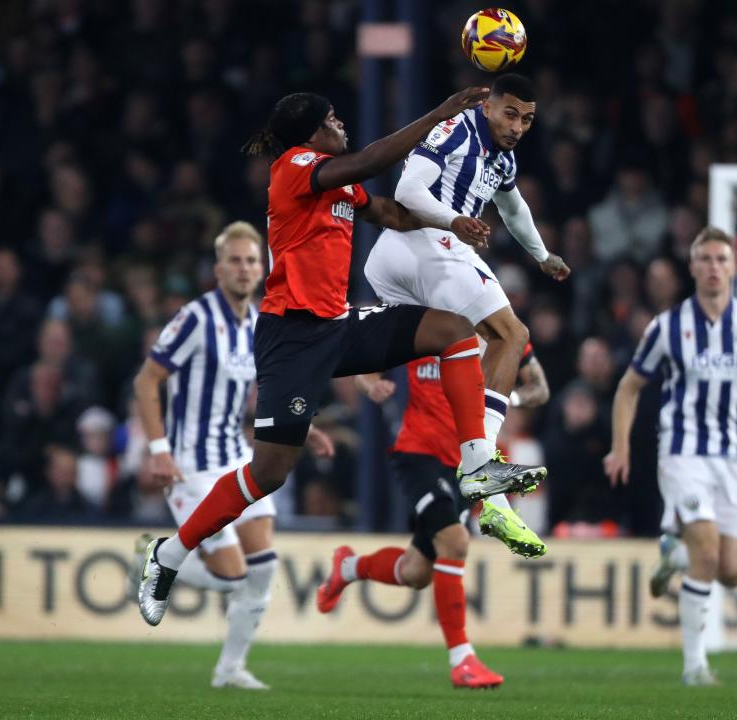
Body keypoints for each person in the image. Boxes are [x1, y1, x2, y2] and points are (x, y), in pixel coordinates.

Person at [136, 87, 547, 627]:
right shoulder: (294, 167)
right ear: (312, 134)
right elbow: (373, 160)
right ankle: (168, 555)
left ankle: (476, 466)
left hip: (338, 322)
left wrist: (452, 224)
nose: (341, 124)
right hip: (292, 338)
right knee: (268, 473)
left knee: (453, 332)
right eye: (332, 120)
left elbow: (392, 214)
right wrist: (441, 114)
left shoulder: (337, 180)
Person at [364, 73, 570, 557]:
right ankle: (482, 463)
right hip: (422, 244)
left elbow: (514, 209)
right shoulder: (456, 128)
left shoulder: (503, 157)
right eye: (511, 114)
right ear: (491, 107)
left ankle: (487, 488)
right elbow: (408, 191)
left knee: (462, 343)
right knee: (511, 334)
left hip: (414, 262)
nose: (518, 126)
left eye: (528, 119)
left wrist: (541, 256)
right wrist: (454, 220)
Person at [131, 221, 336, 688]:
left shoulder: (260, 323)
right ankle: (155, 559)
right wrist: (159, 450)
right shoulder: (196, 318)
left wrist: (304, 429)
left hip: (234, 456)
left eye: (251, 261)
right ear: (218, 269)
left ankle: (230, 669)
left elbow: (263, 394)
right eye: (235, 261)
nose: (244, 269)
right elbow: (146, 381)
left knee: (263, 569)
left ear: (262, 269)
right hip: (190, 465)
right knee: (232, 575)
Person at [603, 227, 737, 685]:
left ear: (734, 267)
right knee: (708, 552)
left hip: (736, 459)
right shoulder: (667, 326)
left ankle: (675, 554)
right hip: (683, 454)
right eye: (704, 259)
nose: (713, 267)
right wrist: (620, 445)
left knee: (732, 571)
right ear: (692, 268)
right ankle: (694, 666)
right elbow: (628, 387)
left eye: (721, 259)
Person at [315, 342, 550, 688]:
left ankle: (347, 567)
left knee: (416, 572)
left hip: (466, 467)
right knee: (455, 542)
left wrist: (504, 400)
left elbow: (539, 388)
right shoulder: (426, 321)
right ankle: (462, 661)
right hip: (419, 455)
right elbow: (367, 365)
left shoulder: (497, 325)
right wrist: (370, 385)